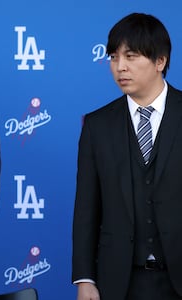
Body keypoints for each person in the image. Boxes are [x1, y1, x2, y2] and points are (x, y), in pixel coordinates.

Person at [72, 12, 182, 300]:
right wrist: (84, 279)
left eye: (131, 57)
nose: (120, 67)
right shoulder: (97, 125)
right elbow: (86, 208)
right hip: (119, 281)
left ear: (161, 61)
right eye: (113, 57)